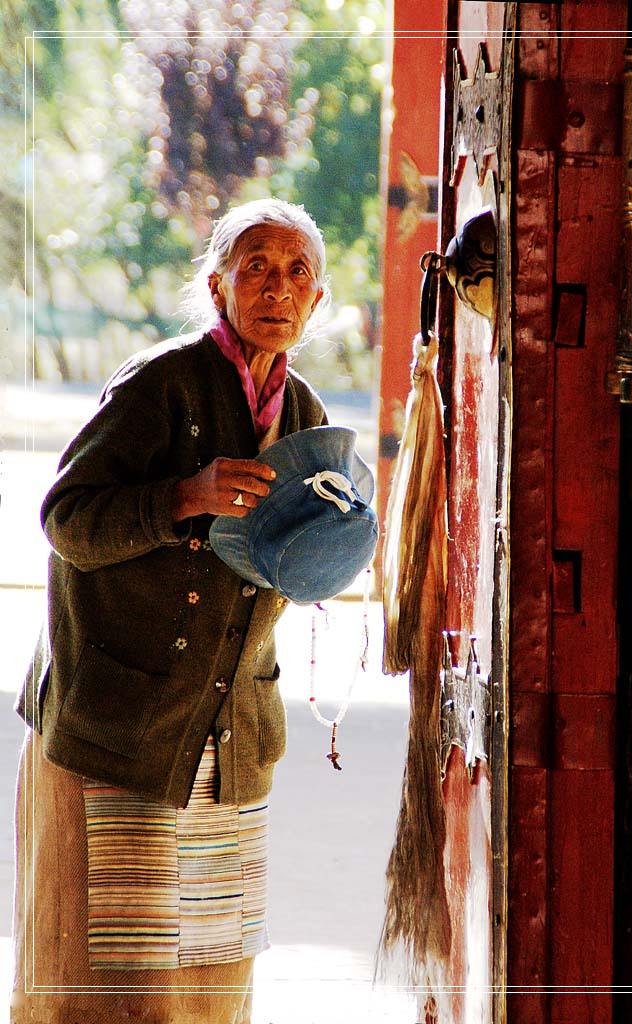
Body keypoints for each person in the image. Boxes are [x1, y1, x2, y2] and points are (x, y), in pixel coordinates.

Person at [11, 198, 331, 1024]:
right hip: (120, 729)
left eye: (297, 272)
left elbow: (281, 569)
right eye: (256, 266)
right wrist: (184, 496)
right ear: (218, 285)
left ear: (317, 301)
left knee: (209, 978)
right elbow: (66, 522)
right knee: (112, 983)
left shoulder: (304, 419)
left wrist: (325, 551)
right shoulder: (161, 382)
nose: (277, 288)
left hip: (224, 743)